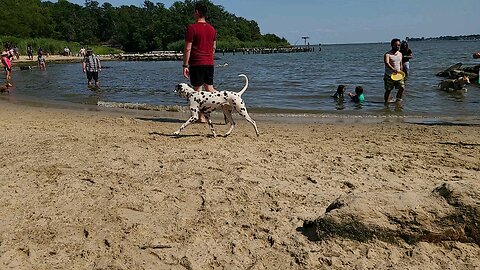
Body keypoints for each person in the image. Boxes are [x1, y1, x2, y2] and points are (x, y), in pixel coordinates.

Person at [182, 2, 217, 123]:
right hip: (209, 62)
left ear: (197, 12)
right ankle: (224, 103)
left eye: (194, 11)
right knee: (210, 89)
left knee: (197, 91)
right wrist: (209, 58)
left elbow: (187, 48)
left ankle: (200, 117)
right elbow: (213, 48)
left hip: (197, 62)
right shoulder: (212, 29)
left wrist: (185, 65)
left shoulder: (192, 28)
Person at [384, 38, 405, 103]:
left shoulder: (400, 54)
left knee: (402, 87)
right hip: (389, 75)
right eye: (396, 45)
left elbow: (401, 64)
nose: (397, 46)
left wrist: (402, 72)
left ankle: (398, 100)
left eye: (399, 45)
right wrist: (393, 69)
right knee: (388, 90)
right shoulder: (387, 54)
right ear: (392, 45)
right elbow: (387, 63)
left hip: (398, 74)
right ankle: (386, 103)